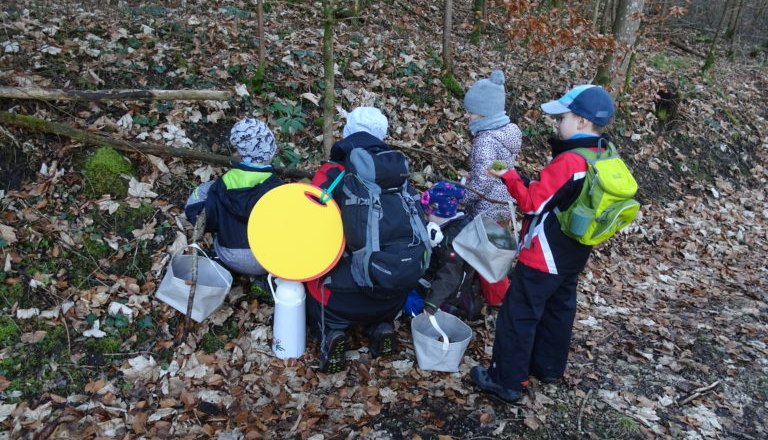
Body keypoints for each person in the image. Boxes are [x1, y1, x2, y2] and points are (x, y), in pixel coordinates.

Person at [470, 84, 616, 403]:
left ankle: (506, 380)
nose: (557, 124)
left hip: (544, 254)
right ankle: (548, 368)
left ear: (581, 122)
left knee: (518, 313)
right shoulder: (603, 151)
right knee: (559, 310)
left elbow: (533, 203)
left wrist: (509, 176)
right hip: (573, 252)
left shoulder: (570, 161)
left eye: (562, 117)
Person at [306, 107, 414, 373]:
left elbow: (306, 225)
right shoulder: (398, 178)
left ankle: (331, 334)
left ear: (347, 133)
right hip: (391, 289)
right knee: (379, 306)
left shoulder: (331, 174)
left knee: (311, 288)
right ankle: (382, 327)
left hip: (338, 298)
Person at [185, 118, 283, 276]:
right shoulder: (277, 188)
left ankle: (217, 259)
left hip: (230, 257)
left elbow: (208, 219)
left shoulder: (223, 184)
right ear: (270, 150)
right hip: (268, 261)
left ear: (240, 152)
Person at [462, 69, 523, 306]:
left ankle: (500, 301)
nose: (469, 118)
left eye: (472, 114)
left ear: (485, 114)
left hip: (487, 207)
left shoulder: (485, 140)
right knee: (496, 252)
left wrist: (463, 199)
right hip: (504, 202)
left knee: (488, 259)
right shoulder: (505, 134)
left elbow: (484, 178)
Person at [411, 181, 481, 320]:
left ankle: (446, 308)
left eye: (426, 214)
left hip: (444, 290)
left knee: (410, 299)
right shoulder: (462, 221)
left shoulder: (450, 241)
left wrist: (431, 304)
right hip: (459, 283)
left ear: (435, 210)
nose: (425, 218)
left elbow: (449, 275)